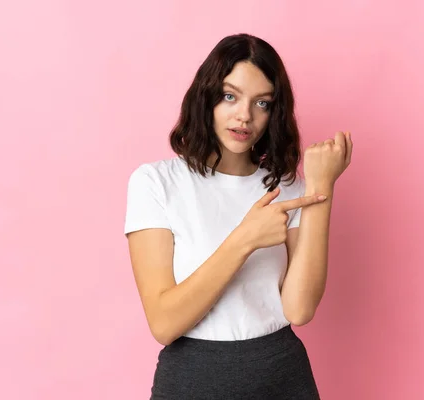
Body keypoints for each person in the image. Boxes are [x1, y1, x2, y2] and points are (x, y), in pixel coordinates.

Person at [124, 33, 353, 399]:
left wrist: (321, 187)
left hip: (282, 374)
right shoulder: (156, 183)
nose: (244, 116)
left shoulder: (286, 188)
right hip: (193, 379)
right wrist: (246, 238)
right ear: (207, 97)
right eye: (230, 96)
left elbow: (300, 309)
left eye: (261, 103)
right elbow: (164, 323)